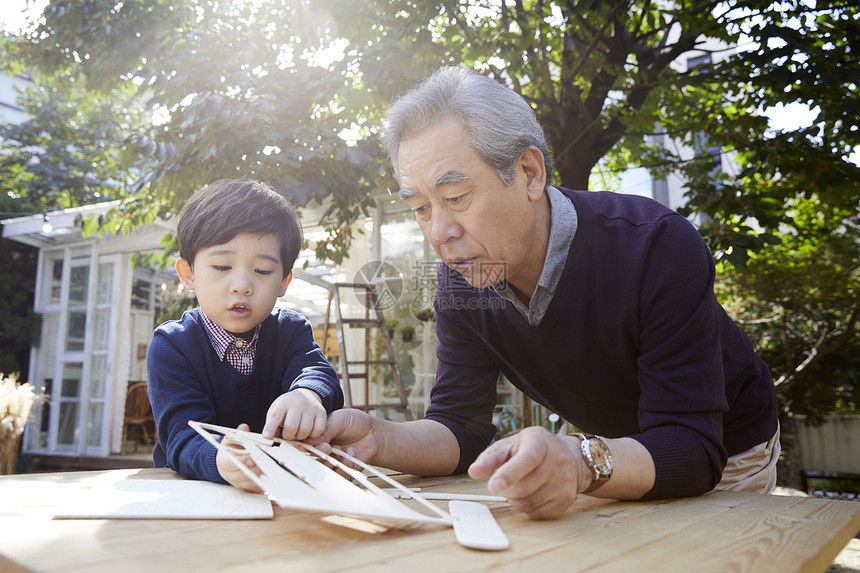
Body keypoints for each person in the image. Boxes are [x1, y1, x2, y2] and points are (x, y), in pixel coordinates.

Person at [308, 66, 780, 519]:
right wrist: (378, 437)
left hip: (726, 448)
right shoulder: (464, 280)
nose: (440, 231)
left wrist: (578, 460)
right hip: (607, 455)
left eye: (455, 198)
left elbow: (691, 447)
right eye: (420, 208)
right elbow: (459, 425)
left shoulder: (655, 245)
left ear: (530, 173)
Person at [147, 179, 343, 491]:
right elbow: (182, 438)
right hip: (194, 497)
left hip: (281, 491)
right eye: (222, 266)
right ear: (188, 274)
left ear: (283, 282)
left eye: (263, 271)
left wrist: (308, 395)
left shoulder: (290, 331)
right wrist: (222, 460)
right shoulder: (173, 345)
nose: (242, 284)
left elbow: (319, 373)